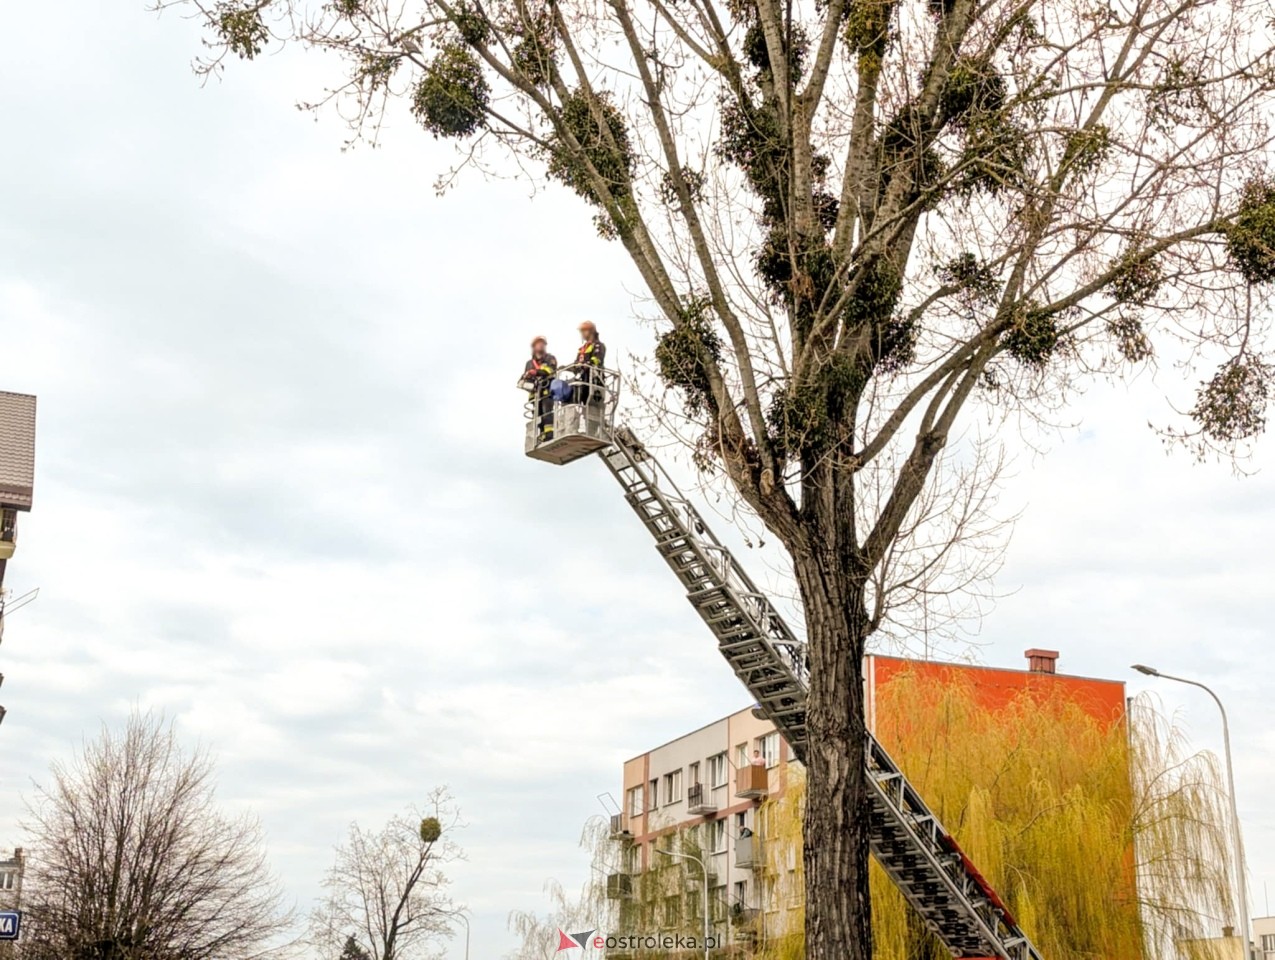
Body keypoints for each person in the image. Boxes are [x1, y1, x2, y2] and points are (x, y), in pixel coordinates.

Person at [520, 336, 557, 440]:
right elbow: (524, 376)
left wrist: (536, 372)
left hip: (546, 390)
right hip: (535, 394)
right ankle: (541, 434)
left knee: (547, 412)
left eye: (543, 343)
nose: (541, 345)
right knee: (537, 416)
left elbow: (550, 370)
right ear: (534, 347)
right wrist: (525, 378)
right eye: (538, 343)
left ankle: (549, 434)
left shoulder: (550, 358)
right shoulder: (529, 363)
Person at [573, 321, 606, 404]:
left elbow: (597, 360)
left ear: (591, 331)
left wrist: (586, 364)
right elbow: (576, 363)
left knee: (593, 407)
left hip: (594, 381)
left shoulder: (598, 345)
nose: (582, 334)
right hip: (583, 380)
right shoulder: (582, 349)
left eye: (584, 331)